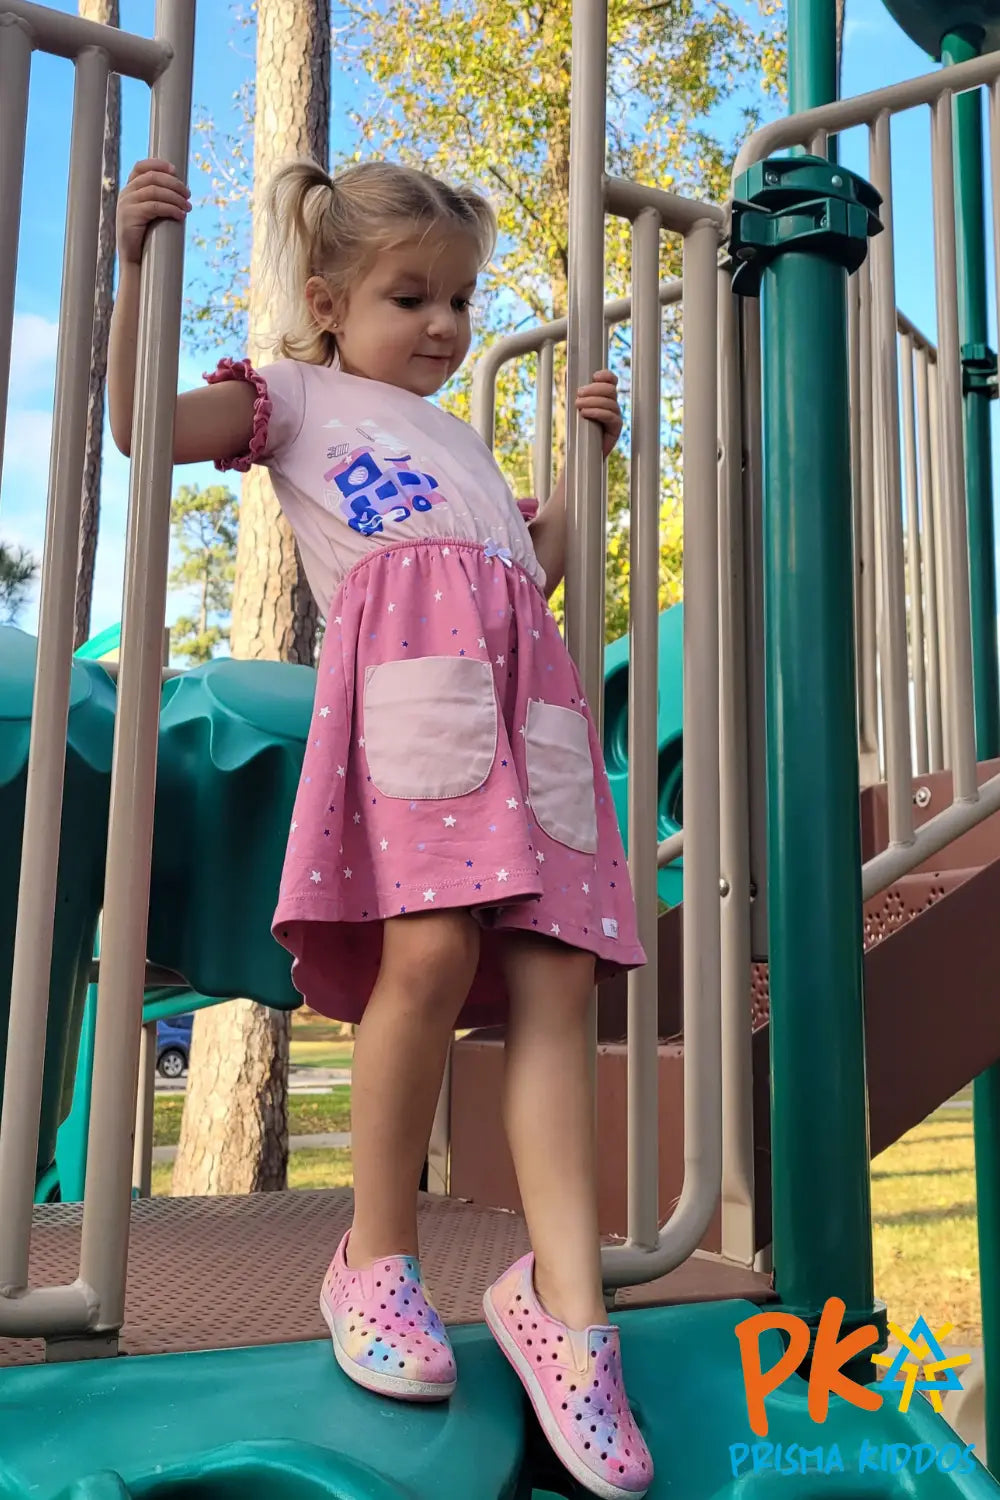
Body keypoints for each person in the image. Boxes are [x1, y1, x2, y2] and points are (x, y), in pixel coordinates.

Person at [111, 155, 652, 1500]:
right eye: (411, 296)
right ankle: (377, 1259)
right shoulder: (292, 398)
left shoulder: (462, 440)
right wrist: (133, 273)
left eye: (460, 299)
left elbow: (532, 578)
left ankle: (569, 1314)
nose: (444, 324)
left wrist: (584, 477)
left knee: (555, 980)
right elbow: (136, 423)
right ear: (329, 299)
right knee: (425, 962)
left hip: (526, 714)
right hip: (421, 717)